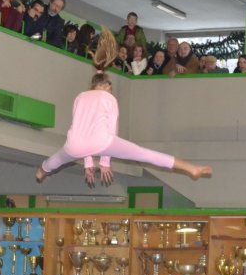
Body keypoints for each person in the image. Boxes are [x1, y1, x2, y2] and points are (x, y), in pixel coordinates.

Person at [35, 29, 213, 187]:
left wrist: (88, 164)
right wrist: (104, 162)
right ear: (106, 86)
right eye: (110, 88)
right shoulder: (109, 98)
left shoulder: (80, 97)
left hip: (75, 145)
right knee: (144, 154)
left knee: (57, 159)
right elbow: (112, 129)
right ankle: (190, 168)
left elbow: (79, 129)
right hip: (102, 141)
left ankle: (41, 171)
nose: (111, 90)